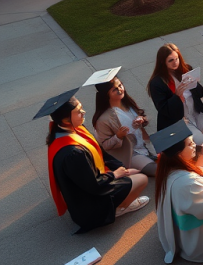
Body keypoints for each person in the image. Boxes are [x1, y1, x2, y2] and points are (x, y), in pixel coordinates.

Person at [38, 89, 149, 232]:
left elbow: (100, 152)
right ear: (66, 120)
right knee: (141, 179)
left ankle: (119, 196)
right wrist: (116, 175)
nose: (83, 112)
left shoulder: (68, 130)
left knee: (130, 174)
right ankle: (118, 210)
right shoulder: (72, 153)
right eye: (78, 111)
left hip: (87, 185)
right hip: (89, 207)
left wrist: (121, 168)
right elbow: (95, 186)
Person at [152, 120, 203, 264]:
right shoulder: (187, 184)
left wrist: (201, 162)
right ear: (178, 154)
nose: (195, 146)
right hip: (199, 242)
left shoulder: (167, 170)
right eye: (190, 144)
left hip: (186, 229)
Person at [92, 70, 157, 177]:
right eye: (114, 89)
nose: (120, 89)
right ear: (106, 94)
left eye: (120, 85)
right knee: (156, 170)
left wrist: (141, 119)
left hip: (145, 143)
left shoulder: (127, 103)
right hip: (131, 151)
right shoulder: (103, 119)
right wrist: (118, 136)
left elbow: (142, 116)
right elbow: (105, 145)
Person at [147, 43, 203, 142]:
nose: (175, 63)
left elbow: (200, 94)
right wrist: (176, 96)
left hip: (195, 112)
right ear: (162, 62)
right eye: (171, 60)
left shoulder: (186, 69)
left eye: (177, 58)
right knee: (199, 140)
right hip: (178, 119)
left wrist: (195, 84)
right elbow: (164, 110)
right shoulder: (157, 83)